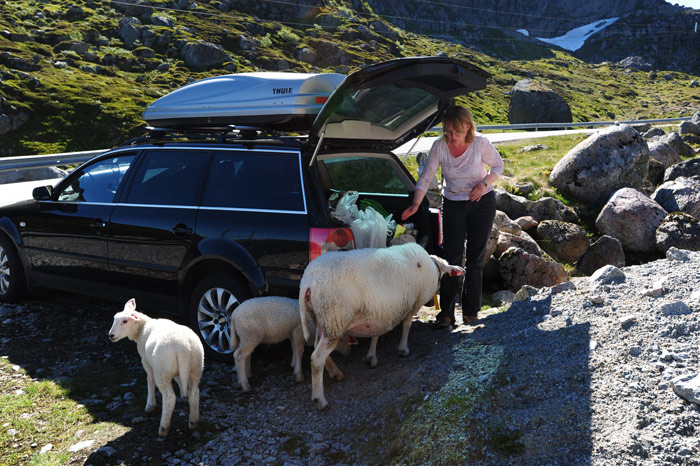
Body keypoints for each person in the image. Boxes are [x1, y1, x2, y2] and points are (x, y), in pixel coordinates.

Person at [401, 105, 504, 329]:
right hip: (453, 204)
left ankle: (471, 312)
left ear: (468, 127)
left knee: (476, 258)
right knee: (451, 258)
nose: (452, 136)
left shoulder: (480, 144)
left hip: (482, 203)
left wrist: (483, 183)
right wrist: (416, 204)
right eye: (447, 131)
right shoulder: (440, 147)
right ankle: (446, 314)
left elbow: (498, 166)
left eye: (456, 131)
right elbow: (426, 178)